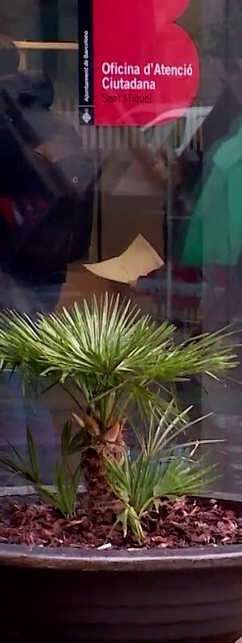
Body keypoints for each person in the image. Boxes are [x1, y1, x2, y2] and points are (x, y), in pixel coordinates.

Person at [0, 35, 95, 485]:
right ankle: (41, 474)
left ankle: (22, 481)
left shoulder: (8, 125)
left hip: (11, 262)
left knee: (13, 379)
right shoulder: (57, 124)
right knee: (26, 373)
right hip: (50, 262)